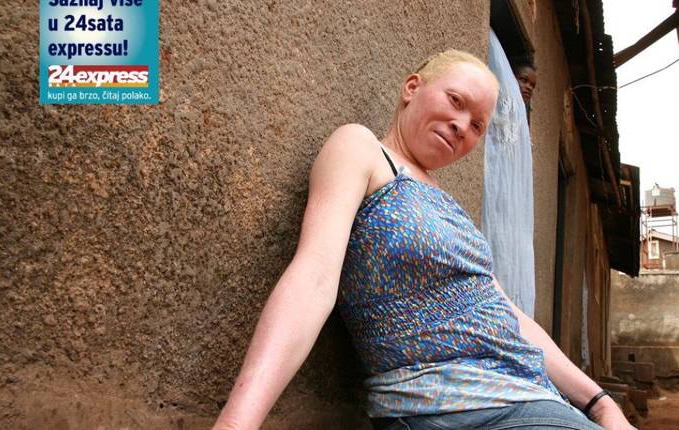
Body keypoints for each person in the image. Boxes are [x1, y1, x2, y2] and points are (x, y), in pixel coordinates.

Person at [211, 50, 634, 430]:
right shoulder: (364, 151)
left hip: (530, 400)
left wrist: (600, 403)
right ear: (412, 87)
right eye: (456, 101)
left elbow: (509, 314)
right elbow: (314, 279)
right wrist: (235, 423)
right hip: (450, 404)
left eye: (478, 125)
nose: (462, 126)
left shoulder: (451, 207)